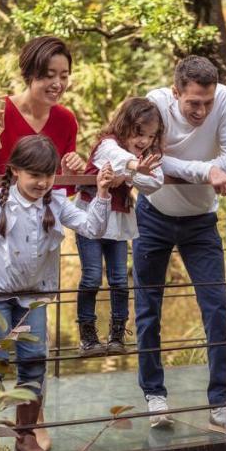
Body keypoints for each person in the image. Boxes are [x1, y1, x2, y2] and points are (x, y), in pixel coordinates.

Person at [0, 135, 114, 451]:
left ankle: (25, 437)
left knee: (32, 363)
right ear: (15, 171)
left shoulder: (55, 202)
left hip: (33, 299)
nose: (42, 183)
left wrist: (100, 194)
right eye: (35, 176)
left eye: (48, 175)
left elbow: (91, 228)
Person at [0, 35, 86, 390]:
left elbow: (61, 189)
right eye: (48, 75)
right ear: (29, 74)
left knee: (32, 341)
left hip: (37, 228)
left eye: (64, 75)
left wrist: (75, 169)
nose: (57, 84)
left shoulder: (66, 121)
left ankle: (30, 422)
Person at [135, 56, 226, 436]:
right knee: (148, 309)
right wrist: (206, 169)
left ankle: (222, 404)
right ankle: (155, 396)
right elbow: (149, 160)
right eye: (193, 104)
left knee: (217, 307)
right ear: (175, 94)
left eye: (207, 102)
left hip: (201, 221)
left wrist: (207, 168)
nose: (202, 110)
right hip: (152, 215)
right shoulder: (154, 103)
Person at [73, 97, 165, 356]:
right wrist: (134, 168)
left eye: (150, 136)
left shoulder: (142, 157)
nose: (144, 141)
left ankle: (116, 334)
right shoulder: (107, 144)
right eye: (139, 133)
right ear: (125, 125)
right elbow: (116, 158)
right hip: (90, 219)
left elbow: (155, 181)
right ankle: (88, 336)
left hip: (118, 222)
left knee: (119, 280)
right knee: (91, 276)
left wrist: (130, 173)